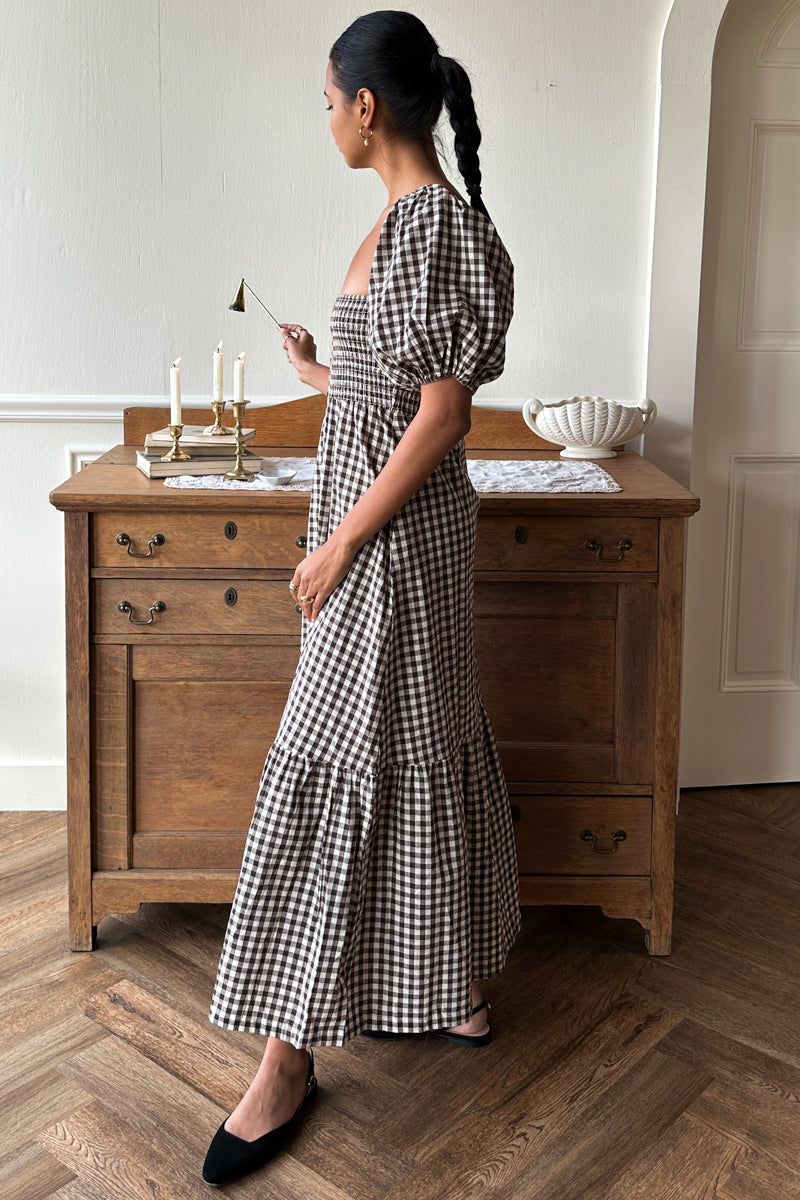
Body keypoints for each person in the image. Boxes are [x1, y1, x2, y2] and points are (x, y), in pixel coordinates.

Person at [202, 10, 521, 1187]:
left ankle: (283, 1062)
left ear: (365, 106)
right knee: (416, 739)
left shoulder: (429, 224)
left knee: (334, 760)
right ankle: (458, 988)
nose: (324, 118)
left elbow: (443, 416)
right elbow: (397, 390)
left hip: (386, 549)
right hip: (389, 540)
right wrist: (319, 373)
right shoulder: (404, 221)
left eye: (326, 101)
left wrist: (339, 543)